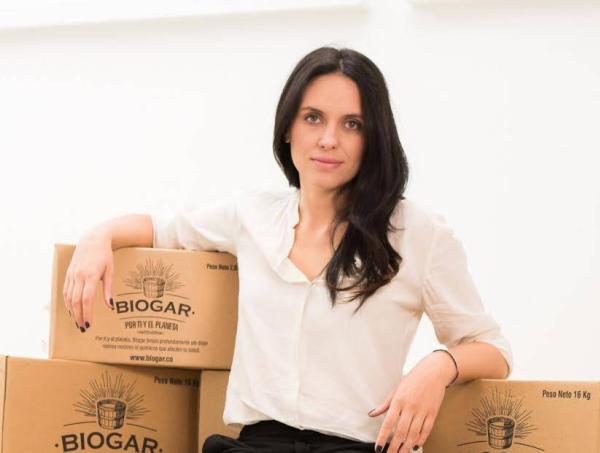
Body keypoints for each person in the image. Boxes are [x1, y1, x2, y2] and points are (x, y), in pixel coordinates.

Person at [62, 46, 513, 453]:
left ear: (374, 137)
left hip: (359, 447)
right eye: (313, 118)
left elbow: (492, 348)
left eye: (352, 124)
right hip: (257, 444)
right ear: (287, 129)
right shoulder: (251, 215)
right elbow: (162, 229)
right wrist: (98, 237)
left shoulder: (418, 232)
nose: (328, 139)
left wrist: (437, 367)